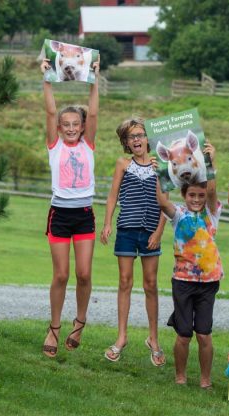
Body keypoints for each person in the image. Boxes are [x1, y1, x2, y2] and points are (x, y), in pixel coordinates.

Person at [40, 55, 100, 358]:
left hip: (84, 215)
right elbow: (50, 111)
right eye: (67, 124)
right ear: (60, 128)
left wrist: (94, 79)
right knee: (61, 275)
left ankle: (80, 321)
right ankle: (54, 327)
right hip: (60, 214)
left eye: (76, 124)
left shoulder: (89, 144)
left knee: (85, 274)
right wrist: (47, 78)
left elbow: (96, 112)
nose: (71, 128)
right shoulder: (55, 145)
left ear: (83, 126)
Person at [100, 118, 167, 366]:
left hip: (151, 231)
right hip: (127, 229)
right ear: (126, 142)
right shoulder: (123, 164)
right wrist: (107, 223)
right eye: (131, 137)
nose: (136, 140)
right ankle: (121, 337)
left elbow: (165, 202)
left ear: (147, 138)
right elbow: (112, 195)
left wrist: (159, 232)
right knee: (125, 282)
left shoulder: (161, 164)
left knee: (150, 284)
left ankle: (153, 339)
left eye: (140, 135)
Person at [155, 143, 221, 389]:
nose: (196, 199)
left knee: (204, 333)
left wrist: (210, 162)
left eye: (200, 196)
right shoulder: (179, 214)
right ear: (184, 196)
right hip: (183, 282)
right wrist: (161, 172)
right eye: (192, 195)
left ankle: (205, 380)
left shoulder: (212, 214)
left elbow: (212, 189)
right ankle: (180, 376)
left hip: (208, 282)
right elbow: (162, 201)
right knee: (184, 334)